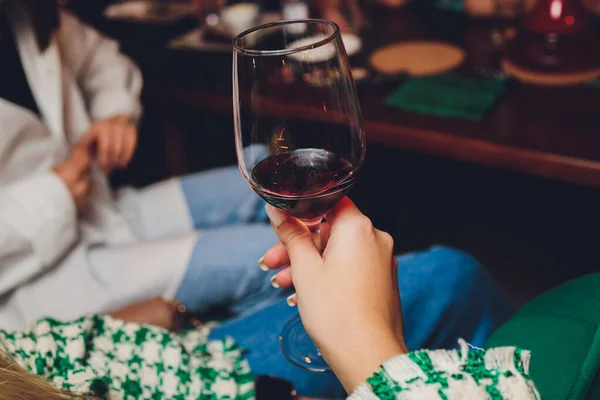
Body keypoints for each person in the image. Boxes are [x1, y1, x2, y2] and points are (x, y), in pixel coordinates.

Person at [0, 198, 538, 399]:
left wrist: (173, 318)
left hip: (174, 348)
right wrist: (366, 343)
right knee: (451, 275)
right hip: (224, 385)